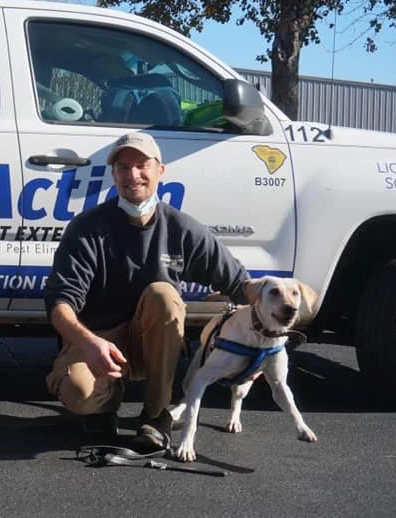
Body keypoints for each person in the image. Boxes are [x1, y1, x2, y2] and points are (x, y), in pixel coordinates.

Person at [44, 132, 249, 450]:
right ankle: (102, 408)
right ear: (113, 175)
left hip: (149, 345)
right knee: (79, 392)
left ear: (160, 171)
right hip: (100, 345)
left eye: (141, 165)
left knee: (163, 295)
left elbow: (240, 284)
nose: (133, 175)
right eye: (123, 168)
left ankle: (156, 416)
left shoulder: (181, 228)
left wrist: (262, 343)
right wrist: (88, 343)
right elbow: (59, 304)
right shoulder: (88, 228)